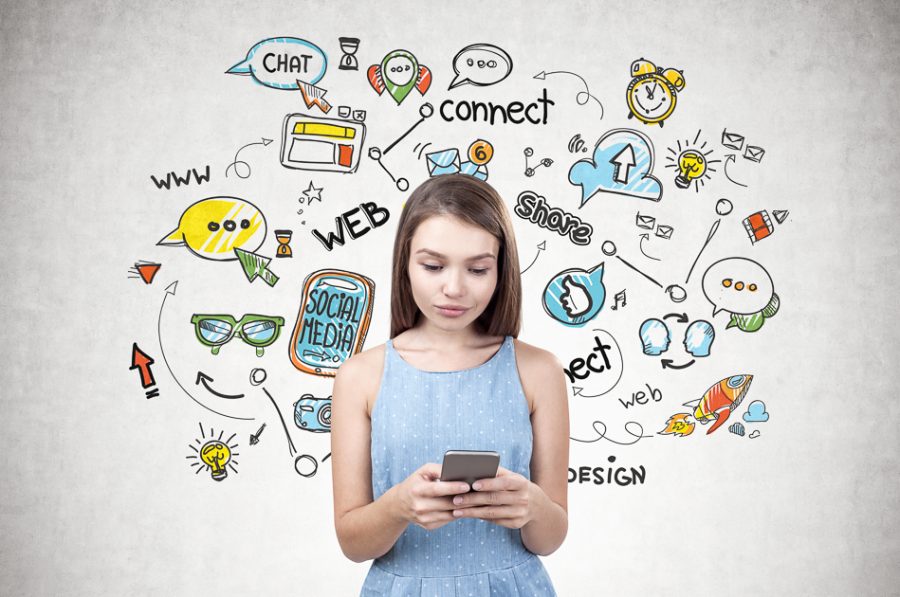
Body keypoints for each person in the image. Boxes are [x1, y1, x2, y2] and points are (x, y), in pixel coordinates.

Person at [331, 174, 568, 596]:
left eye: (477, 269)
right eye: (433, 266)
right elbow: (352, 543)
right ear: (405, 262)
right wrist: (397, 506)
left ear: (501, 270)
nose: (454, 288)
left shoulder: (539, 371)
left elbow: (549, 539)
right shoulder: (360, 376)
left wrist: (531, 505)